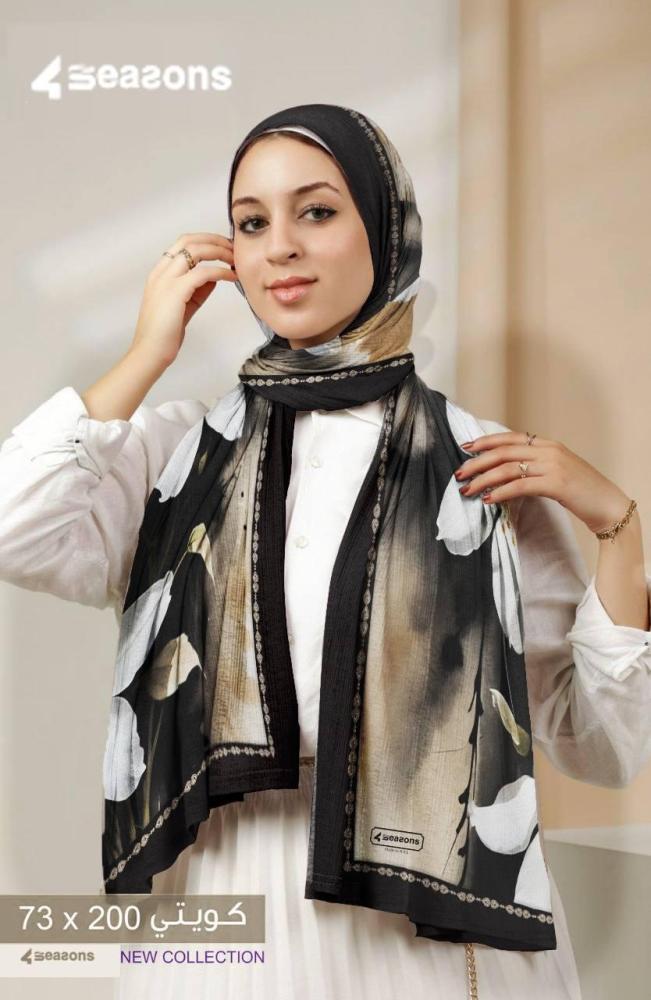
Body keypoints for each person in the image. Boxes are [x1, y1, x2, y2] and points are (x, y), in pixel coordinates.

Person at [0, 103, 650, 1000]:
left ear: (384, 229)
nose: (280, 247)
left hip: (426, 928)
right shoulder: (177, 455)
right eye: (250, 222)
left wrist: (618, 531)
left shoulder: (477, 463)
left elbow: (599, 747)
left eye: (316, 211)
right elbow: (15, 528)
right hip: (228, 893)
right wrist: (148, 352)